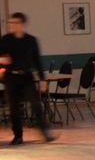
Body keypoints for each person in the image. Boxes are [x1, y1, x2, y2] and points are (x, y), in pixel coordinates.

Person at [0, 12, 55, 145]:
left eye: (14, 23)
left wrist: (42, 79)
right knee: (14, 108)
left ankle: (44, 133)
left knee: (36, 104)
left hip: (26, 76)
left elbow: (37, 61)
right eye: (10, 23)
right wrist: (1, 60)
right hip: (11, 77)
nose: (11, 25)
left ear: (22, 24)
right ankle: (18, 136)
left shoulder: (31, 40)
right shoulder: (6, 39)